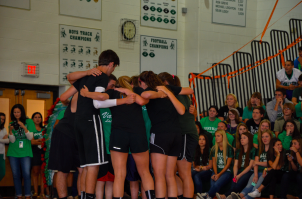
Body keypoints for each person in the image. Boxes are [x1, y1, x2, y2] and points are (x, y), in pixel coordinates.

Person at [81, 75, 155, 199]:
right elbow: (143, 101)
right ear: (132, 83)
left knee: (119, 174)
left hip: (119, 135)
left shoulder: (113, 92)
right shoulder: (136, 91)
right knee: (145, 172)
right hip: (138, 134)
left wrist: (86, 93)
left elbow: (99, 98)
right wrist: (129, 92)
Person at [66, 50, 120, 199]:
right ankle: (89, 196)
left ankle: (84, 196)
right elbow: (97, 102)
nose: (112, 71)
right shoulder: (102, 77)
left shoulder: (88, 75)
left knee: (85, 166)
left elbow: (69, 77)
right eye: (114, 68)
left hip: (79, 122)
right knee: (94, 165)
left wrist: (87, 72)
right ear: (111, 64)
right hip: (91, 120)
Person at [137, 71, 193, 199]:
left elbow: (146, 94)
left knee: (159, 175)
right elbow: (189, 91)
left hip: (161, 135)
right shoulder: (166, 89)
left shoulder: (162, 89)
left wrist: (164, 92)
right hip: (176, 135)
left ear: (143, 82)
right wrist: (163, 93)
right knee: (169, 174)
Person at [158, 72, 199, 199]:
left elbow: (184, 112)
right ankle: (180, 195)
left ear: (165, 83)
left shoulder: (177, 94)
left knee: (184, 172)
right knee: (170, 171)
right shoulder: (176, 94)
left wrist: (194, 113)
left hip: (186, 134)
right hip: (179, 134)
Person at [232, 130, 273, 199]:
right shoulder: (259, 149)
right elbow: (255, 164)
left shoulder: (272, 150)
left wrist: (257, 162)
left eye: (266, 136)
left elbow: (270, 164)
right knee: (250, 185)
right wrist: (256, 175)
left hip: (266, 173)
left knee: (255, 187)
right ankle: (240, 196)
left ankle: (244, 198)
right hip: (257, 172)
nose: (264, 138)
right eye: (263, 137)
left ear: (271, 137)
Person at [95, 74, 117, 199]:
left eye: (114, 86)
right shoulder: (97, 106)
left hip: (113, 149)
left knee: (111, 180)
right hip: (101, 149)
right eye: (111, 85)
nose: (113, 88)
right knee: (100, 180)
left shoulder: (115, 105)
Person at [7, 104, 35, 199]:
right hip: (13, 152)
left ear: (22, 112)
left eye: (18, 112)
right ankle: (18, 195)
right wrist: (10, 131)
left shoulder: (29, 121)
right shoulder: (11, 123)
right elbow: (12, 140)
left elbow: (30, 137)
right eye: (14, 112)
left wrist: (24, 127)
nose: (16, 114)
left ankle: (27, 195)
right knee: (15, 174)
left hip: (25, 152)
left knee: (26, 174)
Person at [216, 133, 255, 199]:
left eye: (244, 138)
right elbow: (236, 165)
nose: (242, 139)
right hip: (239, 171)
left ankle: (225, 196)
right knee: (233, 184)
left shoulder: (253, 150)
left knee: (238, 184)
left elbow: (250, 166)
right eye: (241, 138)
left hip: (248, 172)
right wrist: (235, 175)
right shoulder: (239, 151)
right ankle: (230, 197)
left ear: (249, 140)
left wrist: (239, 175)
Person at [198, 130, 233, 199]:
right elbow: (214, 163)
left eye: (218, 136)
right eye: (215, 136)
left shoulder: (229, 148)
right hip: (216, 171)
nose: (216, 138)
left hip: (226, 171)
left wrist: (219, 175)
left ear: (223, 137)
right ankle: (209, 196)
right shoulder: (214, 148)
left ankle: (206, 195)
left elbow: (228, 164)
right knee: (213, 185)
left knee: (216, 184)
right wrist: (216, 173)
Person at [31, 112, 49, 199]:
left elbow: (48, 139)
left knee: (42, 173)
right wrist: (40, 141)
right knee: (35, 172)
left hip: (43, 152)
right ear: (32, 119)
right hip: (34, 152)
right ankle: (35, 192)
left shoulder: (44, 128)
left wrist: (40, 141)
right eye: (35, 117)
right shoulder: (30, 129)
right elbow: (31, 141)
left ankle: (42, 193)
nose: (37, 119)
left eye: (39, 117)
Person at [0, 113, 9, 183]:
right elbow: (4, 140)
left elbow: (7, 140)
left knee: (2, 173)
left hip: (1, 154)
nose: (2, 120)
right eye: (0, 118)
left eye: (3, 119)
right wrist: (2, 139)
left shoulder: (3, 129)